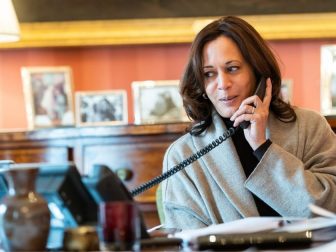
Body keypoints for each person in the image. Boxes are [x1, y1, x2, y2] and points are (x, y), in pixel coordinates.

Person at [161, 16, 336, 230]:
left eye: (232, 68)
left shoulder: (310, 126)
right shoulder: (183, 155)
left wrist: (263, 148)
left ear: (258, 71)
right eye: (209, 74)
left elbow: (329, 209)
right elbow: (187, 239)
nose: (223, 84)